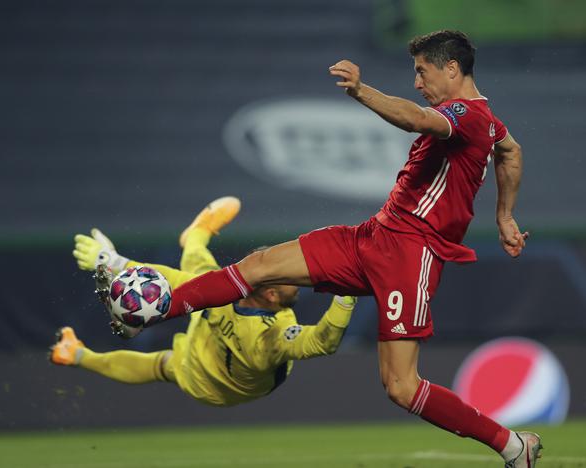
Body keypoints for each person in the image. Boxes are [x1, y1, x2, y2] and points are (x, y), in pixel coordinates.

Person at [131, 30, 541, 467]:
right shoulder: (490, 124)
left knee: (400, 386)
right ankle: (158, 308)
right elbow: (510, 152)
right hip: (374, 236)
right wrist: (504, 215)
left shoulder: (467, 114)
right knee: (260, 266)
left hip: (412, 254)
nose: (418, 82)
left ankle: (514, 446)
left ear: (452, 69)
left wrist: (362, 91)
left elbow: (419, 120)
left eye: (422, 72)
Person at [50, 197, 357, 407]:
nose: (300, 278)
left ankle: (196, 234)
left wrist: (111, 261)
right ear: (272, 295)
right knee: (197, 275)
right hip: (222, 370)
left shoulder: (257, 326)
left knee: (195, 285)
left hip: (204, 374)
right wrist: (346, 294)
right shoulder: (274, 334)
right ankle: (75, 354)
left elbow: (169, 280)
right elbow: (324, 341)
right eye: (291, 277)